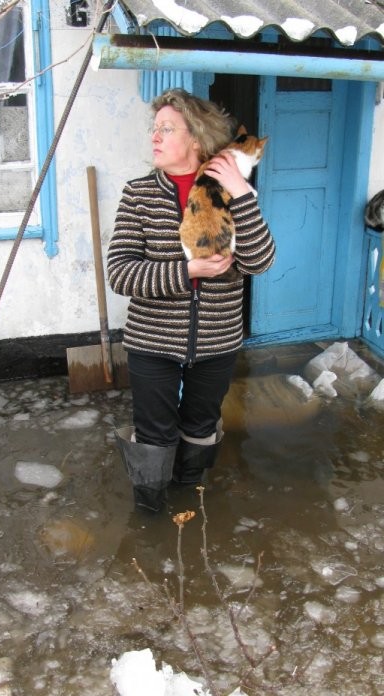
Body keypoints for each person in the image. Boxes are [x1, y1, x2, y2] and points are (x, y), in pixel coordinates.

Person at [107, 88, 275, 512]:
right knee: (154, 436)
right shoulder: (139, 194)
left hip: (217, 342)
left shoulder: (227, 190)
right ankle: (150, 518)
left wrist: (242, 192)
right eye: (155, 128)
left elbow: (260, 261)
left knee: (201, 428)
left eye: (167, 128)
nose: (155, 137)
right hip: (152, 342)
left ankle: (189, 504)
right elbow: (121, 273)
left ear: (196, 138)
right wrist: (187, 272)